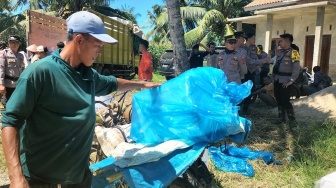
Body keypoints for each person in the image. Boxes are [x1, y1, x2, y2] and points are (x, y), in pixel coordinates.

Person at [1, 11, 159, 188]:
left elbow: (113, 83)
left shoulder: (87, 74)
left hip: (77, 174)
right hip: (40, 175)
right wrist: (16, 176)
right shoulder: (41, 72)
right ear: (79, 40)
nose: (100, 52)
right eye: (97, 45)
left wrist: (143, 85)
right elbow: (10, 120)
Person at [271, 33, 300, 124]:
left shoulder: (294, 52)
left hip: (286, 81)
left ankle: (292, 120)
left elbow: (296, 68)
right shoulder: (280, 52)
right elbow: (276, 65)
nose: (279, 43)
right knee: (278, 98)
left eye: (281, 41)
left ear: (287, 42)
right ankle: (281, 118)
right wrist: (273, 76)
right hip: (277, 79)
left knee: (285, 100)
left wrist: (291, 81)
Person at [241, 33, 270, 115]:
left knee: (250, 89)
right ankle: (241, 107)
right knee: (243, 90)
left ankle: (246, 108)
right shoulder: (242, 49)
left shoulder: (254, 47)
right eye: (253, 38)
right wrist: (263, 61)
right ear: (248, 39)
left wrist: (260, 63)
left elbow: (257, 57)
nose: (255, 40)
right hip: (244, 72)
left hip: (252, 71)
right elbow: (248, 60)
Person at [0, 35, 24, 108]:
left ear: (19, 44)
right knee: (7, 106)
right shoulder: (4, 53)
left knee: (16, 105)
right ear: (8, 44)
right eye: (12, 42)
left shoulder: (21, 55)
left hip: (17, 85)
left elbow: (22, 69)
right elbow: (1, 69)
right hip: (7, 86)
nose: (14, 44)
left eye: (16, 42)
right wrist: (1, 84)